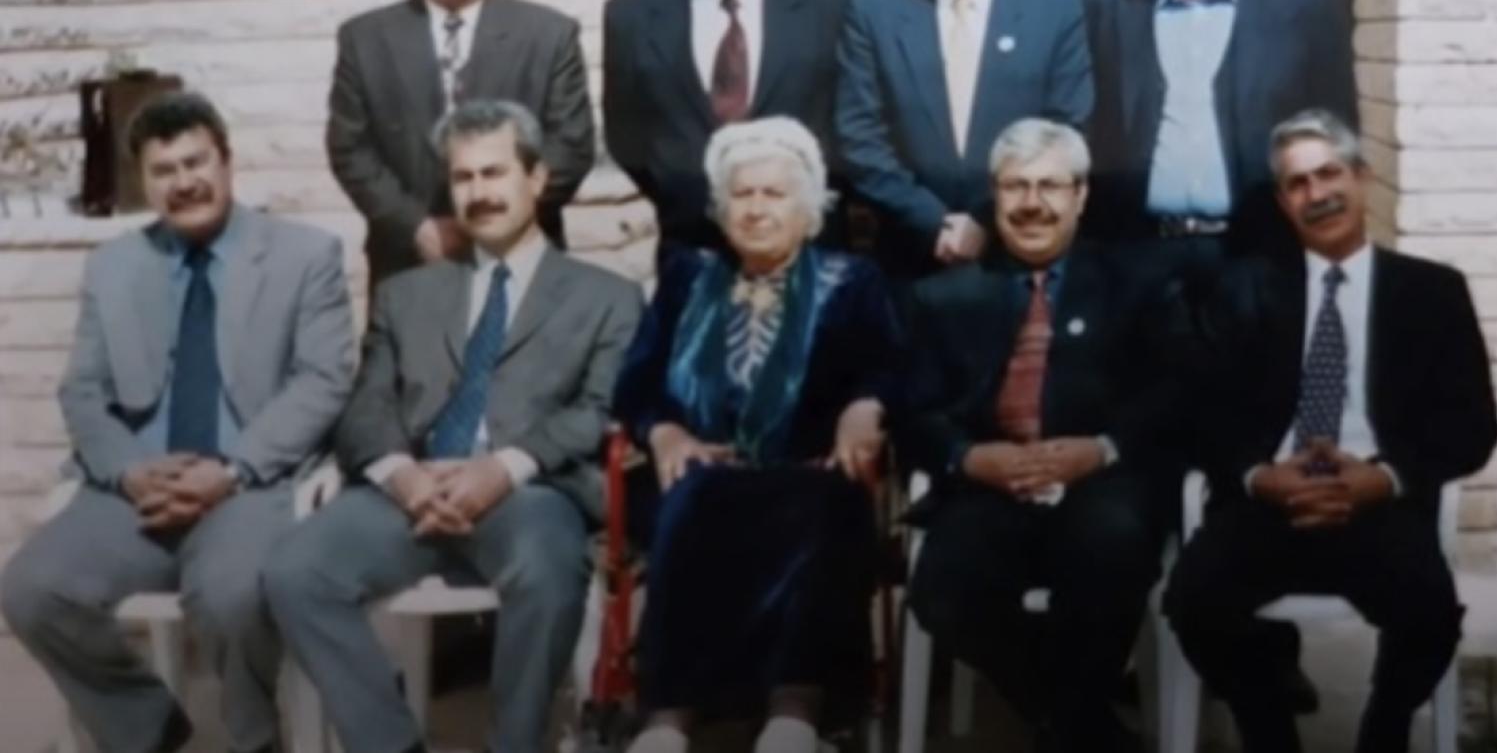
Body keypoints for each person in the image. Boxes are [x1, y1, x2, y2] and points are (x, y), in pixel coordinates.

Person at [267, 100, 640, 753]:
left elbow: (599, 408)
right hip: (412, 491)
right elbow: (366, 406)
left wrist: (503, 468)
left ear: (537, 177)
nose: (479, 192)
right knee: (294, 571)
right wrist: (403, 477)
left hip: (528, 493)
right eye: (463, 178)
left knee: (546, 569)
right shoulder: (407, 294)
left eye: (494, 173)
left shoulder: (606, 296)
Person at [0, 91, 356, 753]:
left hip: (250, 481)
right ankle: (152, 731)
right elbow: (82, 389)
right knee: (29, 589)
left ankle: (256, 740)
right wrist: (128, 471)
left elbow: (324, 380)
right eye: (164, 170)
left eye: (196, 162)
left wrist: (234, 470)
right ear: (145, 182)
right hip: (140, 484)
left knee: (232, 595)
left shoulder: (305, 255)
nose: (184, 181)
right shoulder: (113, 266)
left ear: (227, 161)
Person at [1164, 109, 1497, 753]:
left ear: (1363, 178)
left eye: (1329, 174)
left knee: (1430, 614)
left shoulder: (1432, 292)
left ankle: (1383, 732)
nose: (1317, 194)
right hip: (1269, 502)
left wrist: (1385, 478)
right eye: (1298, 184)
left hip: (1380, 502)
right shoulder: (1244, 289)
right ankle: (1269, 735)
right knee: (1194, 602)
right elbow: (1200, 414)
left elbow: (1471, 426)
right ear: (1283, 202)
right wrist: (1259, 476)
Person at [613, 116, 904, 753]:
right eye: (742, 194)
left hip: (810, 472)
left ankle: (795, 709)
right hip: (698, 473)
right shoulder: (687, 276)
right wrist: (663, 433)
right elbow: (636, 382)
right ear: (721, 210)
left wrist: (865, 407)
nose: (756, 208)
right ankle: (668, 719)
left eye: (774, 194)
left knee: (822, 505)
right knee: (692, 495)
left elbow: (887, 366)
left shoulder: (852, 280)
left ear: (809, 210)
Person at [902, 118, 1180, 753]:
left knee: (1112, 547)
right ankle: (1082, 725)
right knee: (942, 590)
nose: (1032, 203)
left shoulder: (1135, 283)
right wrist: (970, 458)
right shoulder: (944, 297)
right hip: (989, 488)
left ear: (1080, 196)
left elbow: (1171, 394)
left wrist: (1100, 449)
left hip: (1100, 482)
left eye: (1050, 186)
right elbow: (914, 411)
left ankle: (1069, 723)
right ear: (994, 196)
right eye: (1015, 186)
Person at [1084, 0, 1358, 265]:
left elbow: (1338, 143)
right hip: (1137, 260)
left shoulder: (1305, 6)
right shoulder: (1110, 6)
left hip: (1262, 258)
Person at [327, 0, 594, 287]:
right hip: (409, 265)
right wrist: (416, 226)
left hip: (521, 261)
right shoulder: (364, 40)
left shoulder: (549, 36)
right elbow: (350, 150)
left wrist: (488, 222)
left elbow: (571, 147)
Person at [835, 0, 1093, 278]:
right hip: (911, 257)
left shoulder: (1058, 7)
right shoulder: (871, 11)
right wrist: (931, 220)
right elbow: (859, 137)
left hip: (1020, 255)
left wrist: (986, 217)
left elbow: (1067, 125)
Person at [604, 0, 851, 262]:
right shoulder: (632, 15)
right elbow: (627, 140)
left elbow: (849, 127)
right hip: (691, 251)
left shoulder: (827, 3)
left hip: (809, 255)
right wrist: (689, 194)